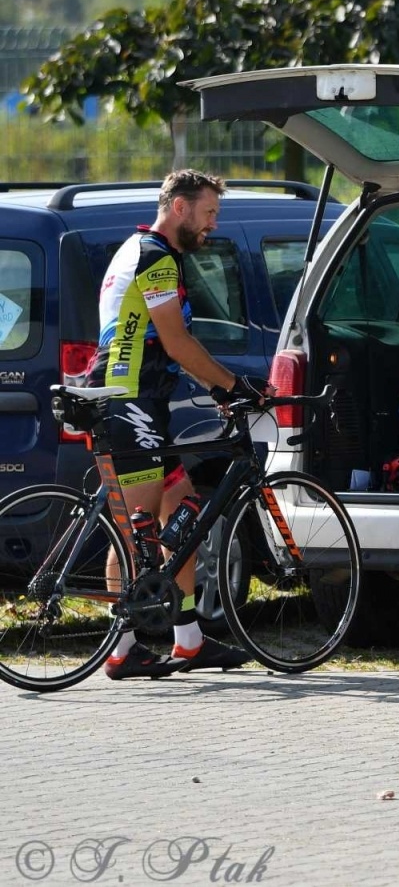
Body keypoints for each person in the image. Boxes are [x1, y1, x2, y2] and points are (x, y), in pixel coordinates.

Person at [90, 170, 269, 680]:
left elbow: (164, 344)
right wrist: (233, 385)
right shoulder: (156, 258)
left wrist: (217, 389)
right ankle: (121, 649)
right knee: (136, 531)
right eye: (209, 212)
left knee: (182, 510)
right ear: (181, 208)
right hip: (128, 401)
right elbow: (176, 342)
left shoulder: (139, 248)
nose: (213, 224)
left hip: (140, 399)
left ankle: (188, 640)